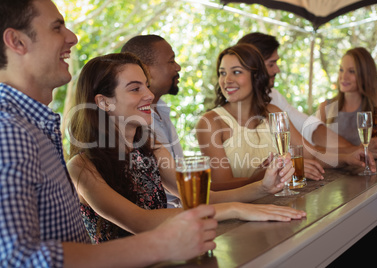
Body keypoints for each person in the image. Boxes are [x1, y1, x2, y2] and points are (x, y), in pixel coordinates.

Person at [0, 0, 218, 266]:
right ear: (16, 41)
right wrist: (161, 244)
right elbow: (17, 258)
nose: (73, 37)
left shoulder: (34, 126)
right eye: (57, 28)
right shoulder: (9, 130)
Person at [66, 52, 307, 243]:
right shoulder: (82, 167)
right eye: (135, 88)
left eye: (146, 85)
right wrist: (236, 210)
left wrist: (263, 187)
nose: (149, 94)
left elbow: (202, 199)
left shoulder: (150, 146)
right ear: (103, 102)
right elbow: (140, 222)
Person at [196, 44, 376, 191]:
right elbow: (218, 187)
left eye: (236, 72)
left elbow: (309, 153)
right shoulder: (211, 123)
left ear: (256, 75)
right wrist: (266, 176)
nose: (226, 80)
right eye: (222, 72)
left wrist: (346, 157)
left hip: (284, 203)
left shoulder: (272, 112)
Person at [237, 32, 377, 160]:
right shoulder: (230, 112)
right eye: (271, 64)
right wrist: (353, 152)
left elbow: (311, 128)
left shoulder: (273, 97)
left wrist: (357, 150)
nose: (277, 70)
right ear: (252, 66)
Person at [121, 35, 183, 208]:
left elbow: (183, 187)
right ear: (145, 69)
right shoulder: (135, 128)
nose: (178, 67)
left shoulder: (161, 110)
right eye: (171, 61)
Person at [317, 47, 377, 155]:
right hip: (335, 172)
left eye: (352, 71)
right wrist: (359, 150)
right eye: (341, 69)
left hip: (372, 170)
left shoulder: (376, 102)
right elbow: (313, 149)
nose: (344, 76)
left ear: (365, 74)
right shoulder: (326, 107)